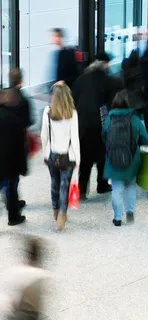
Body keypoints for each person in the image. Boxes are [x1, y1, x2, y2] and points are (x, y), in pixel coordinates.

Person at [72, 52, 122, 199]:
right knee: (103, 157)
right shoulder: (107, 80)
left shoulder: (81, 79)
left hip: (82, 124)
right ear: (105, 65)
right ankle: (102, 184)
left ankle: (81, 189)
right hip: (100, 124)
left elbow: (73, 98)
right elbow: (115, 100)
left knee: (85, 157)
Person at [102, 90, 148, 227]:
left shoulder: (108, 120)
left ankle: (117, 218)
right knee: (130, 185)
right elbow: (145, 138)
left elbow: (104, 137)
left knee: (116, 188)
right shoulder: (134, 119)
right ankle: (130, 211)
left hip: (113, 159)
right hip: (132, 160)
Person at [41, 83, 80, 231]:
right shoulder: (72, 113)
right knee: (65, 185)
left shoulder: (48, 112)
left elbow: (44, 135)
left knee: (54, 182)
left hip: (52, 153)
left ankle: (55, 209)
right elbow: (74, 138)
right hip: (67, 156)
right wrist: (78, 158)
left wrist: (44, 153)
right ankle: (63, 214)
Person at [7, 68, 34, 212]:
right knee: (14, 174)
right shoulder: (23, 100)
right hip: (18, 140)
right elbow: (29, 121)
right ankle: (13, 202)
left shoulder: (5, 97)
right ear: (21, 81)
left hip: (4, 139)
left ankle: (12, 199)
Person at [0, 89, 27, 226]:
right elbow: (19, 147)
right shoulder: (13, 119)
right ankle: (13, 216)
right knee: (11, 189)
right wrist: (23, 167)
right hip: (10, 164)